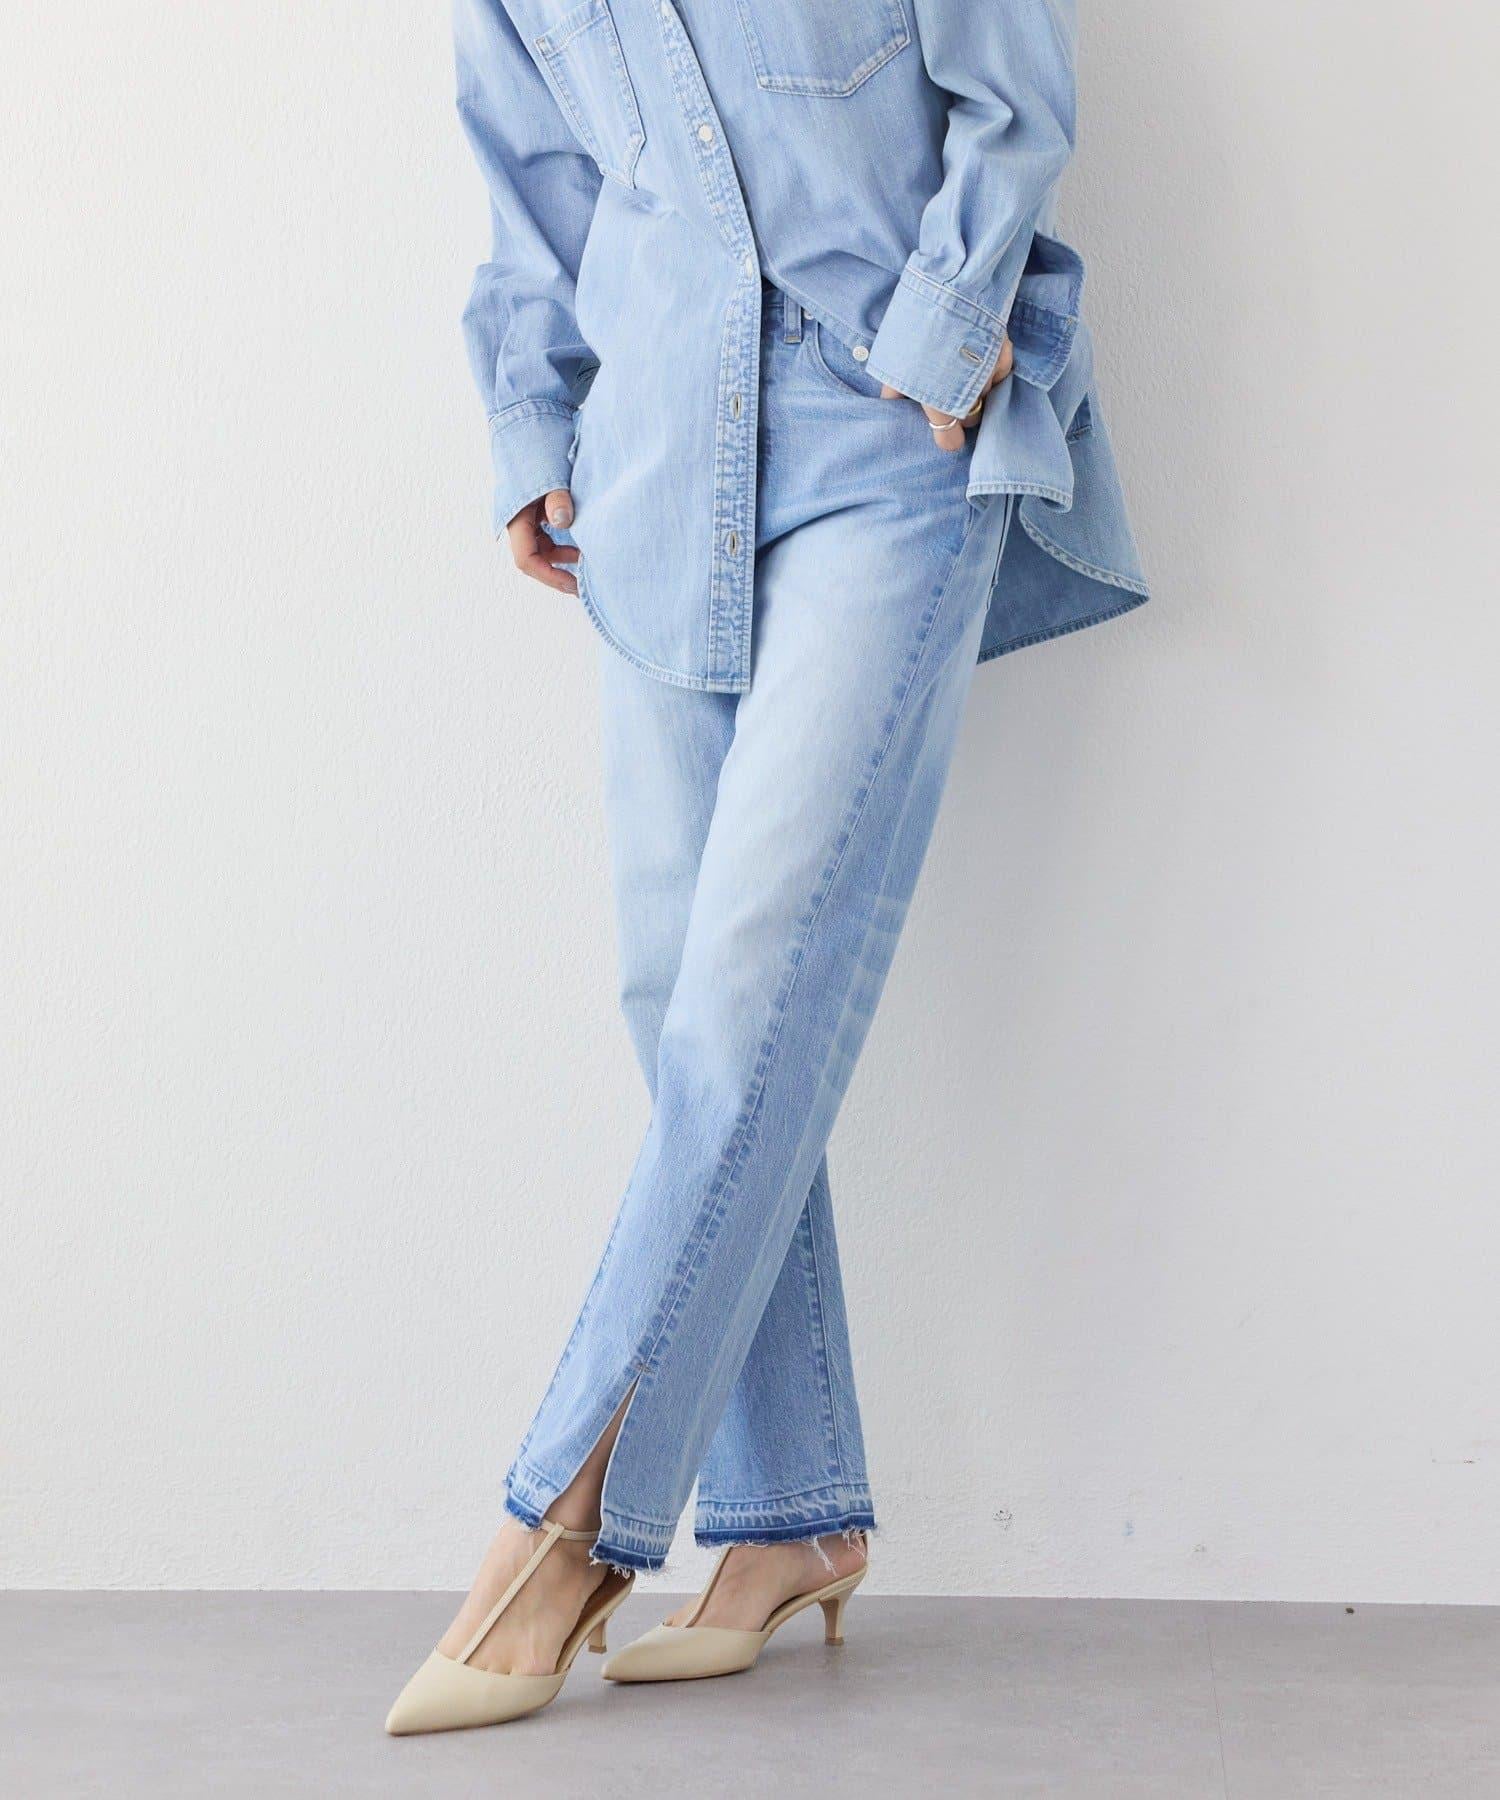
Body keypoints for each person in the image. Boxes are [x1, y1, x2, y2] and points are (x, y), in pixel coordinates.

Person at [387, 0, 1146, 1734]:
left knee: (750, 998)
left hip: (891, 431)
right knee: (679, 1006)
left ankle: (563, 1525)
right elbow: (537, 172)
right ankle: (792, 1516)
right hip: (655, 456)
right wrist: (533, 419)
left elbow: (1013, 90)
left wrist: (948, 328)